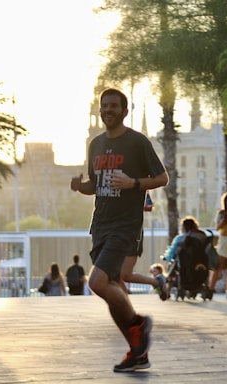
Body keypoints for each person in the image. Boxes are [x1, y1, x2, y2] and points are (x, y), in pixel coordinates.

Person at [70, 88, 169, 372]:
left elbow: (162, 178)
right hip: (100, 224)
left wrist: (133, 184)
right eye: (104, 106)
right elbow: (94, 185)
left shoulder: (137, 142)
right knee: (112, 288)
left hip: (125, 225)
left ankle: (139, 323)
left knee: (97, 283)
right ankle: (137, 352)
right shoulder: (95, 144)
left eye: (114, 105)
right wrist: (80, 187)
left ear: (125, 111)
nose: (108, 110)